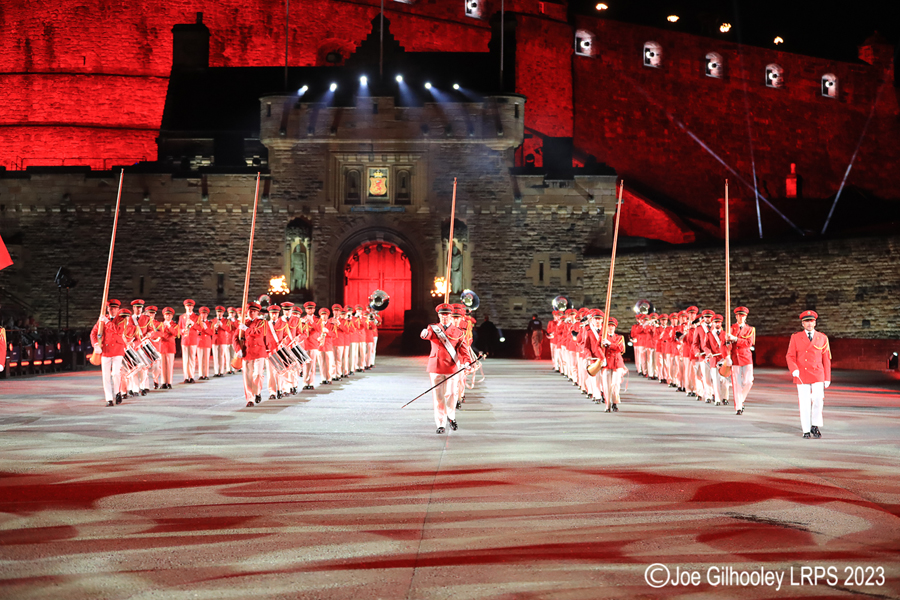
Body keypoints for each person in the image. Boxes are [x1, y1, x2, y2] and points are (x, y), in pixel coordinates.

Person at [421, 303, 473, 434]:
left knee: (451, 394)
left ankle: (451, 417)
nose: (445, 318)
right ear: (438, 316)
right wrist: (424, 334)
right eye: (442, 315)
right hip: (436, 367)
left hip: (451, 367)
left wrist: (467, 362)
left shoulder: (458, 332)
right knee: (438, 397)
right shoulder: (433, 328)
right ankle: (440, 423)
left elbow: (464, 350)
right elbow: (427, 335)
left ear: (450, 316)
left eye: (447, 315)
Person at [785, 310, 831, 439]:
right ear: (802, 324)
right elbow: (790, 356)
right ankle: (806, 429)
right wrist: (794, 369)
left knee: (818, 399)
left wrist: (827, 377)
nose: (809, 324)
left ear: (815, 322)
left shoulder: (822, 338)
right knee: (804, 402)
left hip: (817, 373)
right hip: (802, 373)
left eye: (811, 321)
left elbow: (826, 359)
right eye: (806, 321)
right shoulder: (796, 337)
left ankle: (815, 425)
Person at [89, 299, 126, 406]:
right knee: (105, 376)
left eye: (115, 308)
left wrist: (107, 322)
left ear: (118, 309)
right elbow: (93, 333)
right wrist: (95, 345)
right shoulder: (102, 319)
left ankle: (117, 392)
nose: (112, 310)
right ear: (107, 308)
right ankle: (109, 399)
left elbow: (118, 331)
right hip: (105, 350)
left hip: (118, 349)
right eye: (110, 308)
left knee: (115, 373)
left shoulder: (121, 320)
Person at [236, 301, 269, 407]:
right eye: (250, 311)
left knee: (258, 374)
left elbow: (258, 334)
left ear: (258, 313)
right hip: (247, 352)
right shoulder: (243, 322)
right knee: (247, 376)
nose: (252, 313)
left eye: (254, 311)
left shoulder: (262, 322)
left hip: (259, 351)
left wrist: (247, 329)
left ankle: (257, 391)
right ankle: (250, 399)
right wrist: (238, 349)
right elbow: (235, 338)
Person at [727, 306, 755, 415]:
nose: (740, 317)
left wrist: (735, 339)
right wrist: (727, 356)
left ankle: (741, 399)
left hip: (746, 357)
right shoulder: (731, 328)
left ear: (746, 317)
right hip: (735, 357)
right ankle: (738, 406)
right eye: (738, 315)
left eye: (742, 316)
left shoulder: (750, 329)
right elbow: (727, 345)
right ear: (736, 316)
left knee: (748, 382)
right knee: (736, 383)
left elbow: (749, 343)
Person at [601, 317, 627, 412]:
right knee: (606, 385)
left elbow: (621, 348)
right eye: (609, 325)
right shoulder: (602, 337)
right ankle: (607, 405)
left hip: (617, 363)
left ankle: (615, 402)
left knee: (615, 384)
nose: (611, 327)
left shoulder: (619, 337)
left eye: (612, 326)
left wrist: (610, 344)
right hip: (607, 363)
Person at [178, 299, 199, 383]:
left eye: (190, 306)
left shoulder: (197, 317)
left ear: (193, 307)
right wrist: (182, 331)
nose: (189, 308)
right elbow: (179, 328)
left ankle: (192, 376)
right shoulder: (182, 317)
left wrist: (193, 323)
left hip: (193, 339)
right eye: (187, 306)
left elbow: (200, 328)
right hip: (185, 339)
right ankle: (186, 377)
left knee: (192, 359)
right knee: (185, 359)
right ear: (185, 307)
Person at [157, 307, 178, 389]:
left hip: (170, 346)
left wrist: (169, 326)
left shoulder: (174, 325)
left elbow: (175, 333)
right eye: (166, 315)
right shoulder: (160, 324)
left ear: (172, 316)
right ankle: (163, 382)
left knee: (169, 365)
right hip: (162, 345)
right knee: (162, 365)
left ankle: (169, 382)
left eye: (169, 315)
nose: (167, 317)